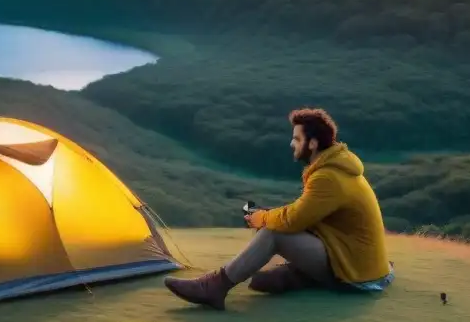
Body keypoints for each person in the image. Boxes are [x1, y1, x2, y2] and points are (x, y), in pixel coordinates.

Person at [163, 107, 393, 310]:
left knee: (274, 231)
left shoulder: (329, 177)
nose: (291, 143)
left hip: (357, 274)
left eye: (297, 138)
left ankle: (213, 287)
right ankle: (297, 277)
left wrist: (263, 218)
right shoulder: (336, 168)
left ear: (312, 143)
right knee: (265, 273)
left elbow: (292, 220)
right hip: (357, 262)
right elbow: (305, 213)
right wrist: (267, 215)